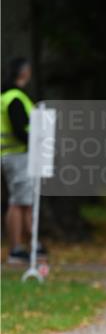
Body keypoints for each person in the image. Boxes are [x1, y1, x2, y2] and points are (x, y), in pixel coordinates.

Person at [1, 57, 40, 264]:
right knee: (19, 202)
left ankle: (27, 245)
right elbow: (20, 130)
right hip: (19, 155)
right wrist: (37, 142)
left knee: (21, 201)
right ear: (24, 72)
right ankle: (17, 248)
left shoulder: (6, 96)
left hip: (10, 155)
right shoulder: (15, 98)